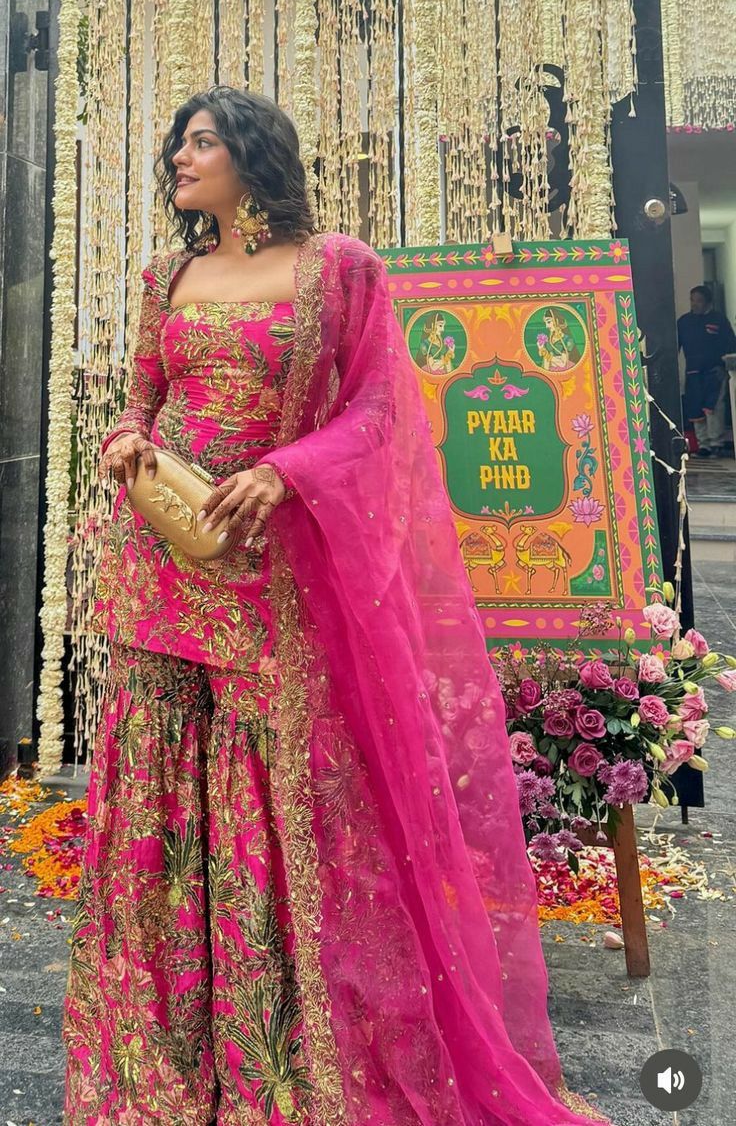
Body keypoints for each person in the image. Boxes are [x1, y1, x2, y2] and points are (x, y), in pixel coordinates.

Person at [61, 86, 611, 1126]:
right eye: (178, 143)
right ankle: (160, 1062)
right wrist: (127, 436)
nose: (181, 156)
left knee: (270, 798)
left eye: (204, 141)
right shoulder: (166, 273)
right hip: (158, 564)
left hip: (269, 576)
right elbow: (142, 394)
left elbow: (379, 409)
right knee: (160, 796)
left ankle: (279, 1059)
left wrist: (290, 470)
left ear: (254, 157)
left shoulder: (339, 269)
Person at [677, 284, 736, 457]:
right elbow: (675, 346)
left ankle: (716, 443)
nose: (695, 304)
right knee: (695, 408)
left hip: (714, 372)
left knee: (714, 407)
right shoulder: (684, 322)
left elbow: (731, 344)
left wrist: (725, 367)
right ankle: (704, 445)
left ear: (708, 302)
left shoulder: (719, 320)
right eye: (692, 300)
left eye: (699, 301)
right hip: (693, 372)